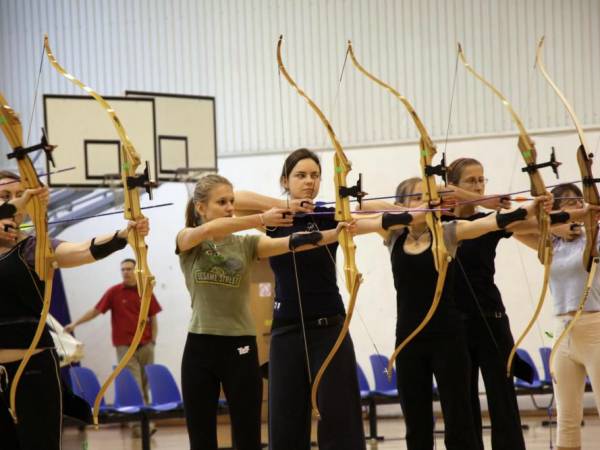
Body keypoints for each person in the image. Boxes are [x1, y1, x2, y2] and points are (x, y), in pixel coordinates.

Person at [357, 175, 553, 450]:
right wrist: (409, 212)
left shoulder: (448, 231)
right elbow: (361, 207)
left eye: (429, 197)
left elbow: (492, 223)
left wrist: (530, 208)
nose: (427, 202)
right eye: (418, 197)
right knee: (416, 425)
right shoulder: (393, 235)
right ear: (400, 205)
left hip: (448, 339)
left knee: (459, 423)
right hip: (408, 340)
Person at [177, 173, 350, 450]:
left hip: (240, 347)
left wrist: (336, 232)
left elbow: (293, 242)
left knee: (248, 439)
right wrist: (261, 218)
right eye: (222, 202)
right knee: (201, 440)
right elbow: (208, 230)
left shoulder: (246, 244)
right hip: (199, 348)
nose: (230, 207)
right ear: (200, 207)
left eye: (232, 201)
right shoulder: (188, 240)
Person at [0, 169, 149, 450]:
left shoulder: (34, 247)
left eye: (21, 195)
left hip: (32, 372)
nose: (16, 202)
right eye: (5, 196)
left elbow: (79, 250)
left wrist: (122, 236)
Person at [234, 148, 371, 450]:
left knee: (340, 417)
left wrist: (412, 210)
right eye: (301, 175)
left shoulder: (328, 215)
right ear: (285, 180)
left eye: (315, 175)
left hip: (329, 329)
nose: (309, 181)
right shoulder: (275, 220)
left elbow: (373, 213)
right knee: (285, 421)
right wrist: (287, 205)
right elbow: (235, 199)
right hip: (287, 332)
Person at [445, 157, 529, 450]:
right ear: (454, 183)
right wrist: (482, 199)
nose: (479, 186)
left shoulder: (490, 221)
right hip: (455, 325)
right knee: (463, 402)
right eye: (471, 180)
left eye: (482, 180)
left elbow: (528, 220)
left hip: (492, 319)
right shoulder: (441, 223)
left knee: (502, 398)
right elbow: (438, 190)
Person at [517, 182, 600, 450]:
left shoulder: (594, 237)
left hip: (595, 328)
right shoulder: (550, 243)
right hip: (563, 333)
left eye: (579, 203)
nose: (577, 208)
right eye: (568, 204)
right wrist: (553, 226)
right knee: (566, 417)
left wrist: (583, 217)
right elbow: (513, 227)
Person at [65, 258, 162, 404]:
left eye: (129, 269)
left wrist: (153, 341)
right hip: (125, 346)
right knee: (134, 384)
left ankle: (147, 416)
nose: (125, 272)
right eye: (123, 269)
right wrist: (75, 324)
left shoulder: (145, 292)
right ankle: (139, 417)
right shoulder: (114, 292)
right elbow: (95, 311)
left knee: (145, 384)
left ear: (137, 271)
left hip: (146, 345)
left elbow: (153, 317)